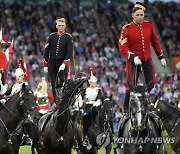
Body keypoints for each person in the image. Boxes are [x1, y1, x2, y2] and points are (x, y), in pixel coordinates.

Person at [118, 2, 167, 123]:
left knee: (152, 82)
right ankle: (125, 110)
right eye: (138, 15)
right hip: (133, 60)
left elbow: (155, 42)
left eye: (142, 14)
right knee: (131, 85)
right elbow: (123, 47)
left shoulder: (149, 26)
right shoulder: (126, 29)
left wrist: (160, 56)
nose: (141, 17)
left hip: (146, 59)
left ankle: (143, 101)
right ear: (133, 15)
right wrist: (132, 57)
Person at [43, 17, 73, 104]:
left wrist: (65, 62)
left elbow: (69, 52)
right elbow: (47, 50)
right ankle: (56, 99)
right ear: (56, 26)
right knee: (53, 81)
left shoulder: (68, 37)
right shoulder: (52, 36)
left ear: (65, 26)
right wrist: (45, 63)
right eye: (59, 25)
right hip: (52, 61)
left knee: (62, 80)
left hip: (62, 62)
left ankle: (63, 98)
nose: (61, 27)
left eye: (63, 25)